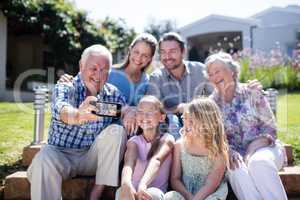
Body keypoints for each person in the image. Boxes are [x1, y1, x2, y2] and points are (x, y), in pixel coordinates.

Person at [27, 44, 128, 200]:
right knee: (43, 159)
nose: (98, 75)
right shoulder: (66, 87)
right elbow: (62, 109)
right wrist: (77, 115)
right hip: (61, 155)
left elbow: (124, 111)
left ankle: (97, 192)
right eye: (93, 68)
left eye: (104, 70)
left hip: (91, 159)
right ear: (81, 66)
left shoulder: (112, 93)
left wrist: (131, 113)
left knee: (117, 131)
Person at [205, 52, 288, 200]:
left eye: (217, 71)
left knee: (258, 162)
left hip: (264, 148)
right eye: (210, 74)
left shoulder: (252, 92)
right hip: (234, 156)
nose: (214, 77)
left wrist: (250, 152)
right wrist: (228, 151)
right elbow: (215, 138)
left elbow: (270, 130)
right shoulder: (211, 104)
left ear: (232, 71)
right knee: (236, 170)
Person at [59, 33, 157, 135]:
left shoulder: (148, 81)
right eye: (136, 52)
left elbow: (147, 110)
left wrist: (133, 111)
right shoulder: (108, 72)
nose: (139, 58)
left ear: (150, 58)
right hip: (101, 130)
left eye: (145, 55)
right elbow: (89, 103)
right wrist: (124, 111)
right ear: (130, 50)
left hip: (132, 131)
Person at [146, 32, 213, 139]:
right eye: (163, 52)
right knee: (172, 120)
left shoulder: (201, 70)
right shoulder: (156, 77)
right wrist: (177, 109)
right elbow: (154, 111)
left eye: (172, 51)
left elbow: (216, 96)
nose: (167, 57)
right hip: (170, 128)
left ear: (183, 52)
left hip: (199, 121)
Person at [164, 97, 229, 200]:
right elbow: (175, 179)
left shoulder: (218, 151)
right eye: (185, 119)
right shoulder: (179, 145)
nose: (186, 124)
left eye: (191, 121)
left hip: (209, 194)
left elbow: (211, 184)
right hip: (185, 193)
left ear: (207, 123)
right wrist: (188, 196)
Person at [116, 95, 175, 200]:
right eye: (140, 112)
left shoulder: (167, 139)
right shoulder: (134, 141)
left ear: (162, 117)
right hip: (133, 190)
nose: (144, 116)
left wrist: (142, 185)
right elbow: (129, 162)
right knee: (121, 192)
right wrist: (125, 183)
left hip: (152, 191)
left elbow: (156, 160)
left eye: (150, 112)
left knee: (152, 194)